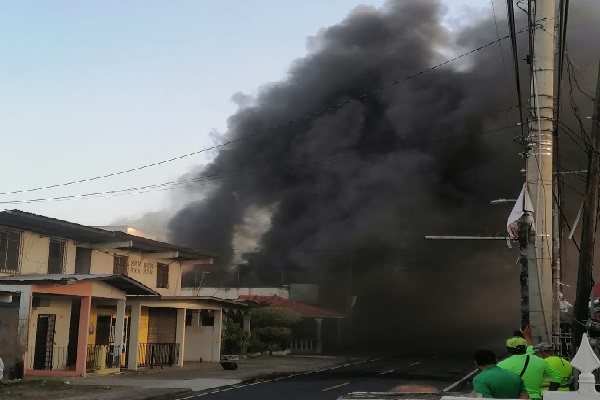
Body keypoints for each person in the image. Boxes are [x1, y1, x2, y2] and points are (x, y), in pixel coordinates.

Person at [497, 336, 562, 400]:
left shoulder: (501, 365)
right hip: (535, 397)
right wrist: (548, 394)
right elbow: (557, 376)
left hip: (513, 398)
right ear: (525, 348)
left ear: (508, 350)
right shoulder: (540, 361)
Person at [521, 326, 573, 392]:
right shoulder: (566, 362)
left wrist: (526, 336)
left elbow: (530, 354)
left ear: (542, 352)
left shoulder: (542, 362)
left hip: (545, 394)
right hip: (565, 395)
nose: (536, 355)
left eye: (537, 353)